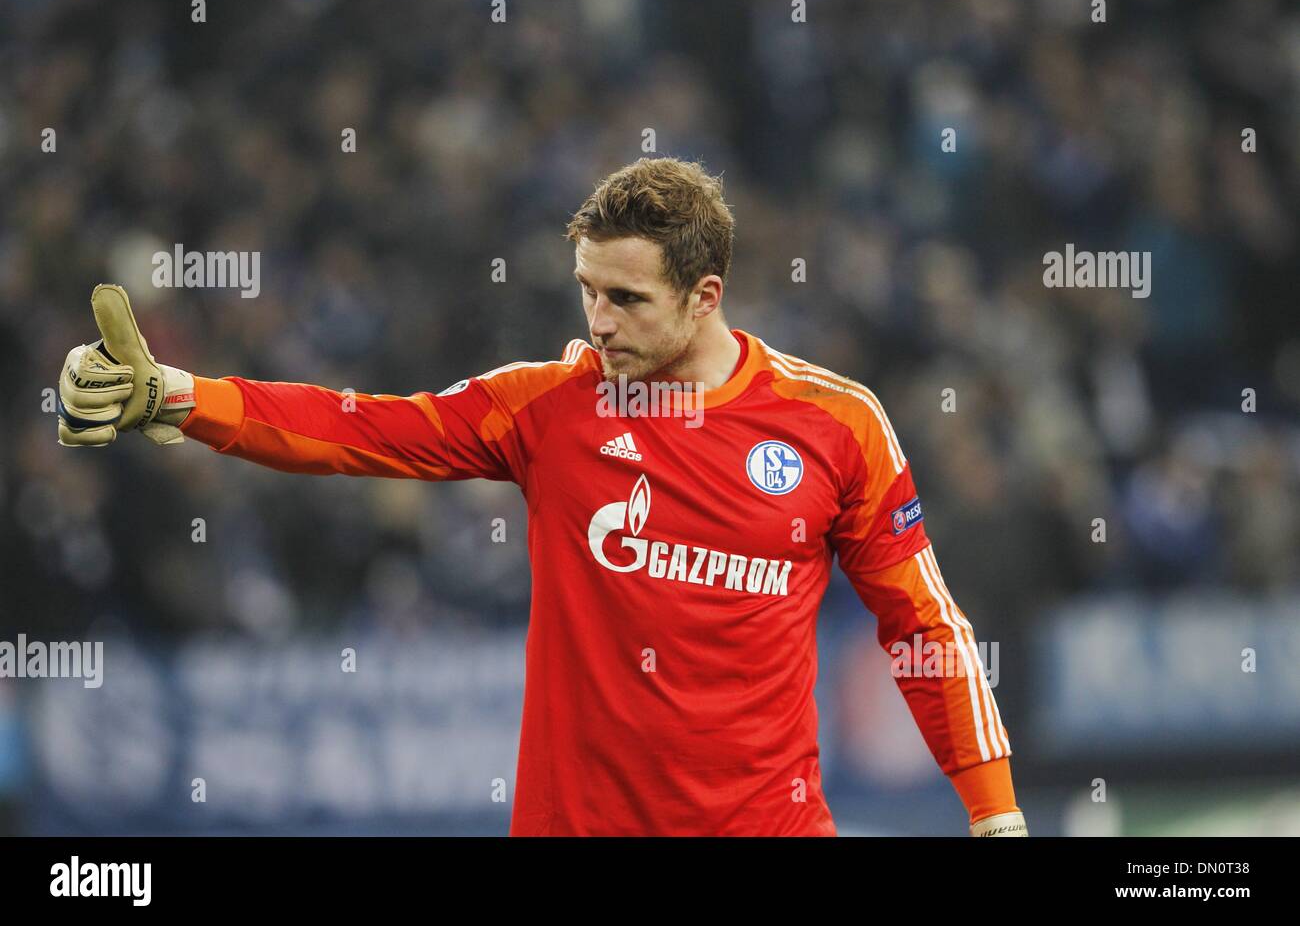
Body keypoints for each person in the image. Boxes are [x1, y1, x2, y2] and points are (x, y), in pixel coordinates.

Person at [56, 157, 1026, 836]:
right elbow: (360, 429)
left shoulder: (834, 424)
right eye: (587, 290)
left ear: (706, 294)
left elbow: (921, 621)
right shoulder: (547, 411)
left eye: (627, 299)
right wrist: (183, 398)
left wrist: (993, 805)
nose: (597, 323)